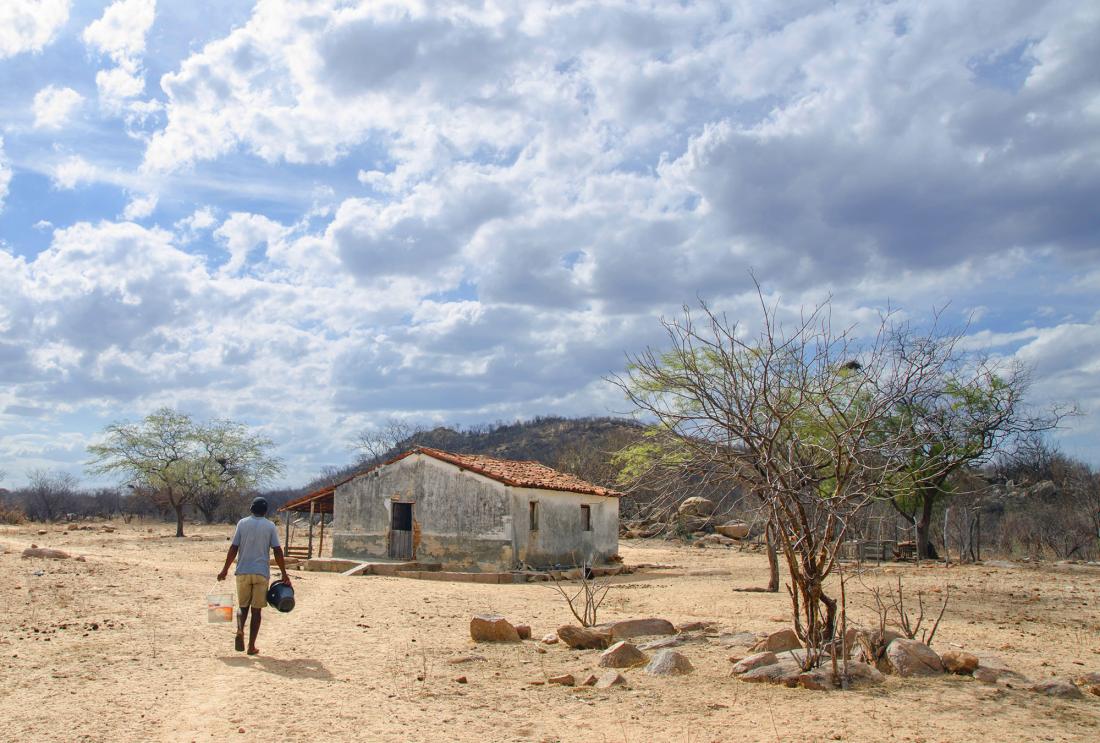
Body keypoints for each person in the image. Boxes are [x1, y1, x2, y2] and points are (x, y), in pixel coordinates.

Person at [217, 496, 291, 655]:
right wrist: (284, 573)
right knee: (256, 611)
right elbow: (277, 551)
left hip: (242, 571)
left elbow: (234, 548)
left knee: (242, 607)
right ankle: (251, 646)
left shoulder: (242, 523)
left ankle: (239, 630)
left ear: (251, 509)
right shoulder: (270, 526)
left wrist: (224, 570)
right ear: (265, 511)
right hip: (261, 573)